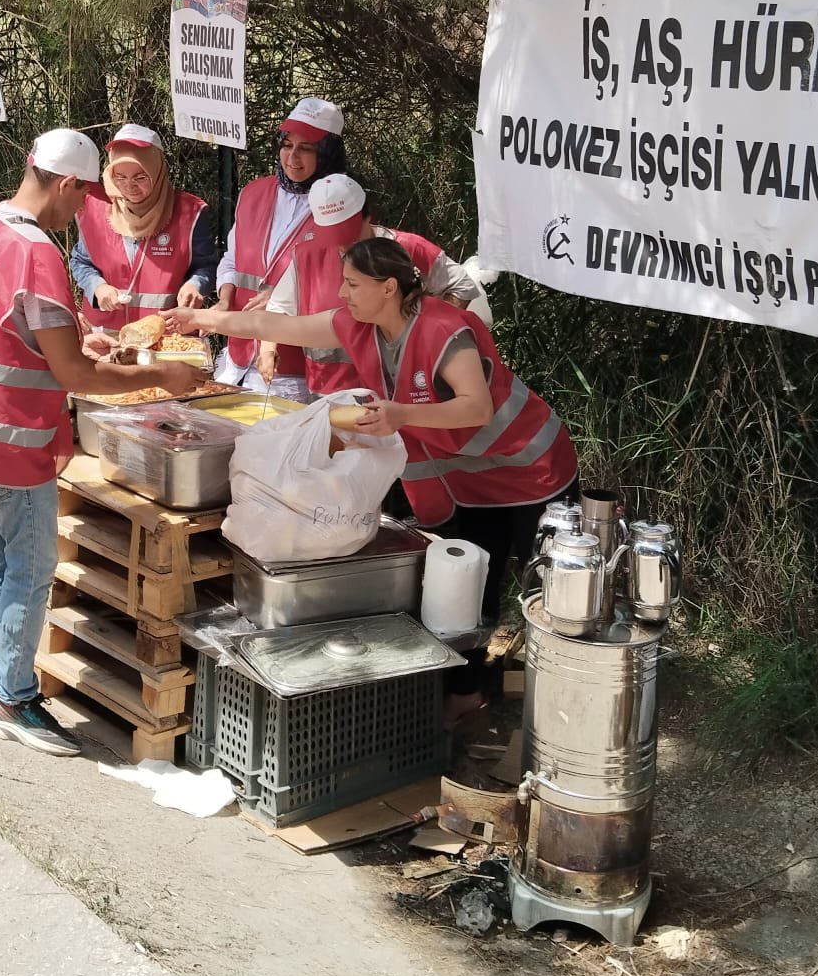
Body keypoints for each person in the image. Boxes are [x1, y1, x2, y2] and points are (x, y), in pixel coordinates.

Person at [171, 234, 579, 722]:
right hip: (466, 482)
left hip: (529, 470)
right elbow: (279, 324)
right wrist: (202, 320)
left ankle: (561, 695)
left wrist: (400, 414)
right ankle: (465, 691)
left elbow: (477, 405)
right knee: (467, 581)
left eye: (351, 284)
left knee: (546, 588)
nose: (341, 294)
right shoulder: (357, 324)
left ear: (388, 287)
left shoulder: (444, 328)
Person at [0, 129, 205, 758]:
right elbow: (74, 377)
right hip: (7, 437)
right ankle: (15, 700)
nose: (85, 213)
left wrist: (81, 337)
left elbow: (17, 324)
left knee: (4, 553)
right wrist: (164, 374)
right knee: (30, 565)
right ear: (68, 184)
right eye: (84, 200)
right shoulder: (39, 254)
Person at [265, 175, 482, 395]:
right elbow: (277, 310)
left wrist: (427, 339)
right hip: (326, 395)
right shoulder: (307, 256)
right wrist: (268, 346)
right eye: (333, 235)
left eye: (348, 234)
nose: (342, 244)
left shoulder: (408, 248)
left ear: (367, 216)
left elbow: (461, 286)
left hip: (398, 399)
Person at [213, 97, 349, 401]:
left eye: (306, 148)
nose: (293, 157)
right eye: (287, 145)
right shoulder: (253, 193)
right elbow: (232, 259)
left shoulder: (342, 208)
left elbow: (344, 288)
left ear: (327, 153)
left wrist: (284, 298)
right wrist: (224, 298)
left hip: (290, 369)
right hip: (236, 359)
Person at [69, 123, 215, 333]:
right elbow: (81, 260)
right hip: (105, 336)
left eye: (140, 177)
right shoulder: (94, 208)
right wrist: (97, 287)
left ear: (157, 171)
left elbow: (207, 266)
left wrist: (196, 285)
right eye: (120, 177)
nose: (129, 186)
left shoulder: (188, 213)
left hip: (165, 335)